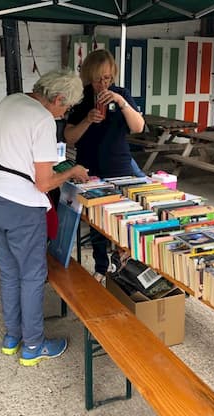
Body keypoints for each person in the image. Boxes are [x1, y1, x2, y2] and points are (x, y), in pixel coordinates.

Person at [0, 69, 89, 367]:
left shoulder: (8, 101)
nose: (65, 113)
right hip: (20, 205)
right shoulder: (42, 119)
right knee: (31, 275)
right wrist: (72, 172)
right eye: (66, 107)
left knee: (10, 271)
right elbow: (44, 183)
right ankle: (34, 345)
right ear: (58, 98)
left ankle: (12, 337)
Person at [64, 49, 145, 282]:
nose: (103, 83)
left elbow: (138, 127)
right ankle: (101, 265)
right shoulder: (80, 98)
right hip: (89, 170)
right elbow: (70, 137)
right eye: (98, 78)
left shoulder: (121, 94)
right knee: (97, 223)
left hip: (119, 168)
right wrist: (88, 120)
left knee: (123, 221)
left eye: (108, 77)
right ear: (89, 76)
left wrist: (121, 102)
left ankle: (122, 264)